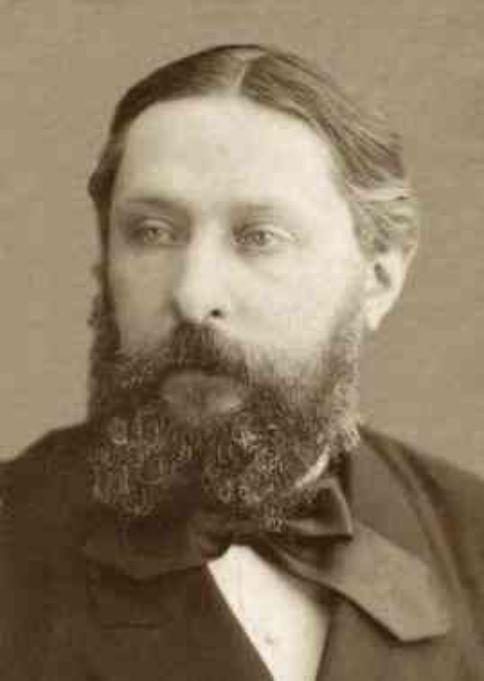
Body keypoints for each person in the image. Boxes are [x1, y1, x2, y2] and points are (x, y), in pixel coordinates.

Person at [1, 43, 482, 681]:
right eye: (151, 232)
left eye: (260, 237)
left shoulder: (472, 542)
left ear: (379, 278)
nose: (193, 294)